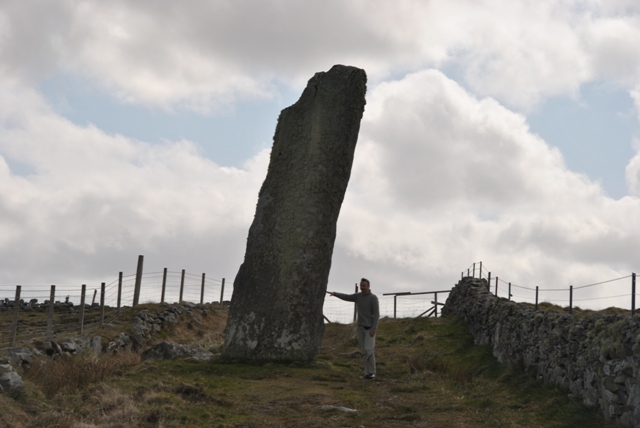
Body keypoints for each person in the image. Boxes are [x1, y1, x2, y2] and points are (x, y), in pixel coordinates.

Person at [327, 278, 380, 379]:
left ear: (369, 286)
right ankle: (366, 373)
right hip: (360, 329)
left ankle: (372, 372)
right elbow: (347, 297)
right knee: (363, 352)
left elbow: (376, 315)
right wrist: (335, 293)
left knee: (369, 351)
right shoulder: (358, 296)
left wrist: (374, 328)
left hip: (369, 329)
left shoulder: (373, 298)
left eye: (364, 286)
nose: (362, 287)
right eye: (361, 286)